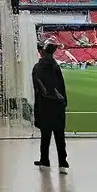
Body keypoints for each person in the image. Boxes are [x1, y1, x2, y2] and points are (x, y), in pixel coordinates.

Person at [32, 42, 68, 170]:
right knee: (59, 136)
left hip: (45, 107)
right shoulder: (56, 66)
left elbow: (38, 91)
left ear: (42, 53)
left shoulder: (37, 68)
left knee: (45, 136)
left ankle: (45, 160)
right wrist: (63, 104)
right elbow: (62, 88)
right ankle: (63, 161)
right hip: (57, 106)